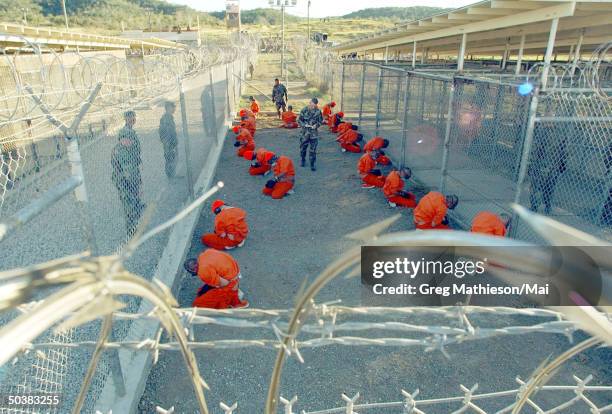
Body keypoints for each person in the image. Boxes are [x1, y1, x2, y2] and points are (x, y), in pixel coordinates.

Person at [111, 110, 145, 237]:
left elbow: (134, 153)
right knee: (129, 203)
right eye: (130, 118)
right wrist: (129, 177)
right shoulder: (125, 134)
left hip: (132, 173)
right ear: (125, 119)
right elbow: (125, 159)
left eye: (134, 117)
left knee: (134, 201)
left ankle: (134, 226)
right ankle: (131, 230)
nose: (133, 119)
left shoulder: (130, 132)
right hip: (126, 176)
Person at [184, 250, 248, 309]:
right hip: (235, 272)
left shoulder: (202, 272)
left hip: (230, 282)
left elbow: (225, 283)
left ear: (193, 270)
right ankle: (233, 293)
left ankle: (233, 301)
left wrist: (216, 288)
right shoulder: (205, 254)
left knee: (197, 304)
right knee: (203, 290)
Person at [298, 98, 324, 171]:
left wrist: (316, 125)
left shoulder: (318, 111)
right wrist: (304, 125)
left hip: (313, 134)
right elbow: (299, 120)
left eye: (314, 106)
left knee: (313, 150)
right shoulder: (304, 110)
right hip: (304, 133)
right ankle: (303, 159)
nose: (313, 107)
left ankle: (312, 164)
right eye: (312, 105)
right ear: (310, 103)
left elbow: (320, 121)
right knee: (303, 148)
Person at [158, 101, 178, 178]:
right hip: (168, 142)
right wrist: (167, 142)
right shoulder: (166, 118)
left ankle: (171, 174)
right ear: (169, 108)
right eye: (173, 107)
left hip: (170, 142)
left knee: (171, 158)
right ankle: (170, 175)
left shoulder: (169, 117)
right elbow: (165, 131)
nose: (174, 109)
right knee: (169, 158)